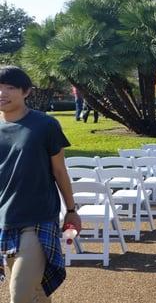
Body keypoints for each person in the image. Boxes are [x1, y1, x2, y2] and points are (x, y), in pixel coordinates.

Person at [0, 66, 81, 303]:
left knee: (20, 293)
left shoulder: (45, 125)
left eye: (9, 87)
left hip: (37, 218)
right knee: (36, 292)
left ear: (26, 92)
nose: (2, 93)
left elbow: (59, 170)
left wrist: (72, 210)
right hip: (5, 218)